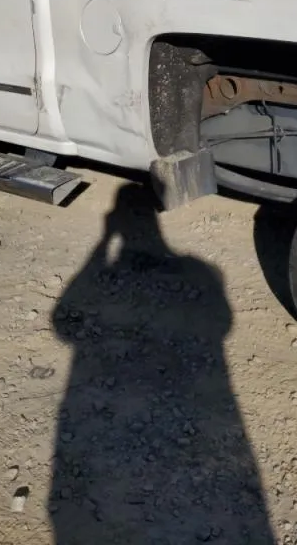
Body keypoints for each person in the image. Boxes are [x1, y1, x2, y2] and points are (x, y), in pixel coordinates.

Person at [50, 183, 276, 545]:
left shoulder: (191, 272)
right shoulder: (199, 272)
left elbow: (62, 323)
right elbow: (223, 323)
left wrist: (103, 242)